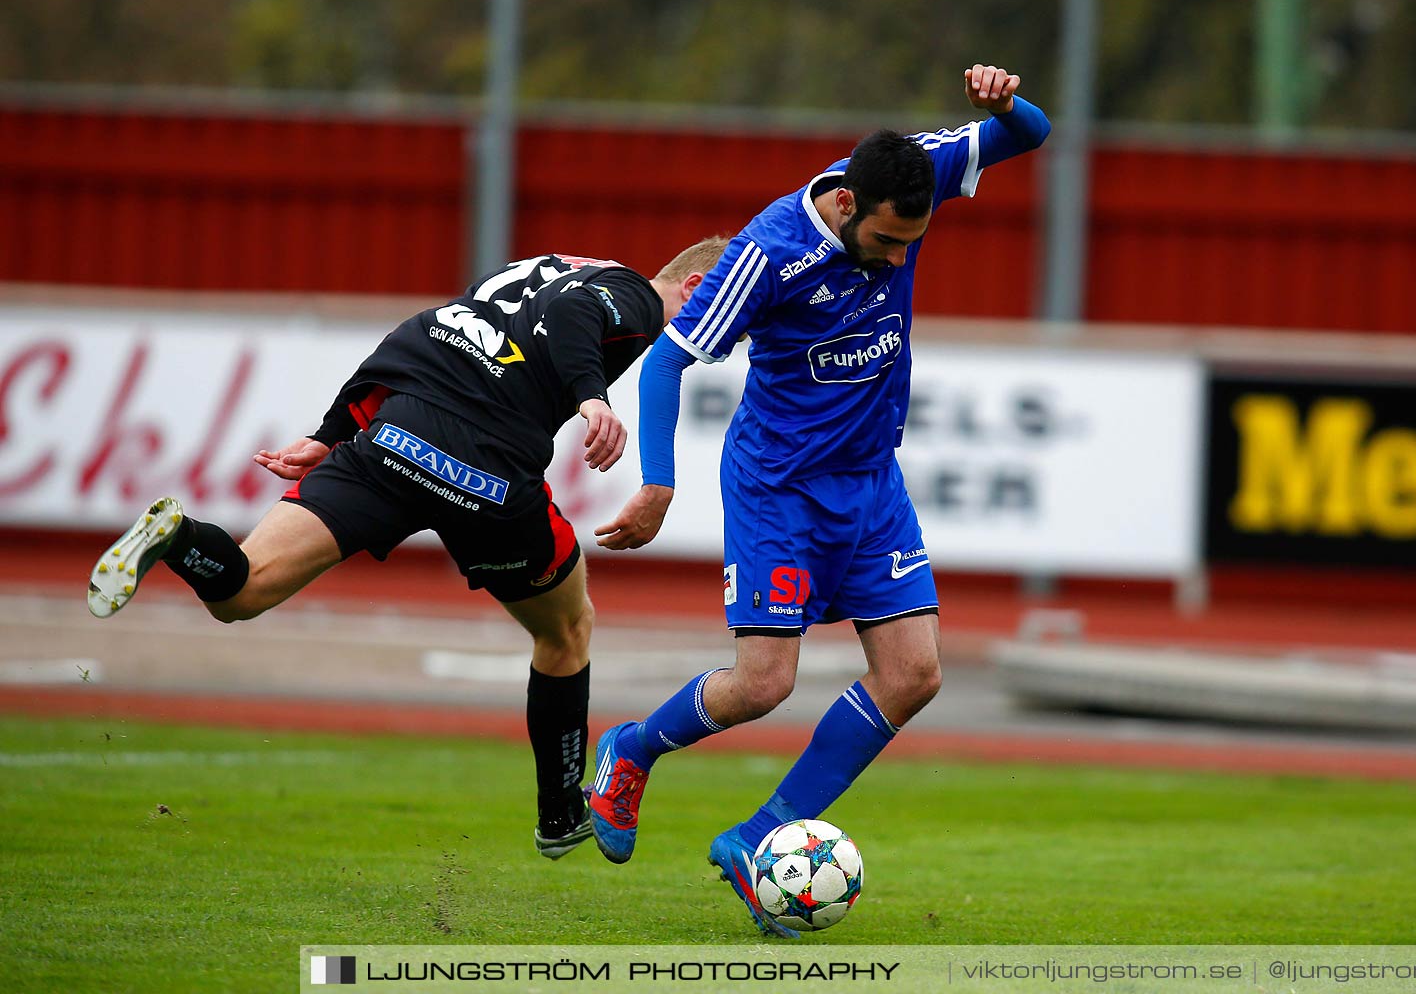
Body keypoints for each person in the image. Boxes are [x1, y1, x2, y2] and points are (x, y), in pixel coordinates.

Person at [587, 64, 1051, 936]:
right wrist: (656, 484)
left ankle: (757, 835)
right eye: (886, 242)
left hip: (872, 482)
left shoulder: (912, 170)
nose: (900, 257)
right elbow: (666, 360)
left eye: (913, 241)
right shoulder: (769, 254)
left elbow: (1031, 135)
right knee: (764, 684)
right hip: (780, 489)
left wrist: (1004, 107)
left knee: (915, 675)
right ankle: (631, 751)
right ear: (845, 207)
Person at [85, 239, 728, 859]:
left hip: (397, 432)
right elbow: (573, 316)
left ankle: (179, 537)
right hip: (485, 466)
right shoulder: (635, 296)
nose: (717, 341)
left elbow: (422, 331)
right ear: (695, 284)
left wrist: (330, 432)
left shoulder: (542, 267)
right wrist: (593, 398)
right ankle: (560, 814)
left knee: (244, 591)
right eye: (724, 315)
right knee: (567, 630)